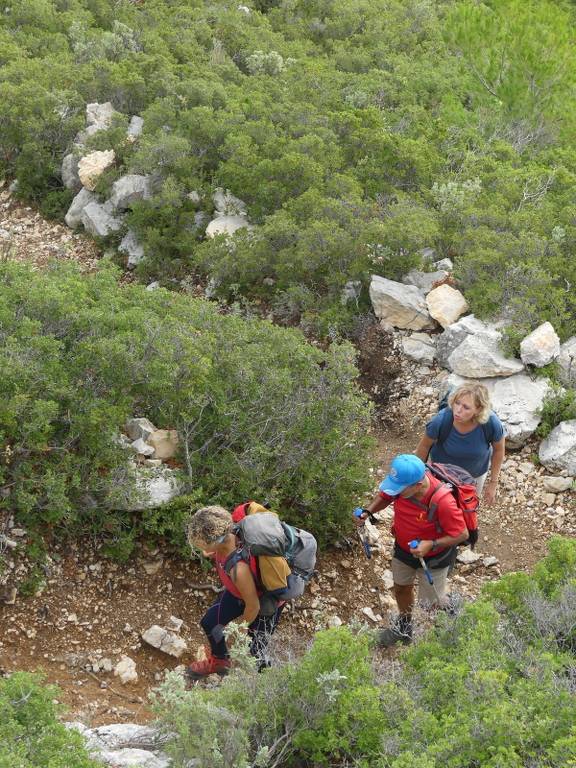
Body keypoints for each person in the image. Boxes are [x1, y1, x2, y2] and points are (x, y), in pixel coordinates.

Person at [354, 454, 468, 647]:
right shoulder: (402, 488)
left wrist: (430, 544)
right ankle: (404, 628)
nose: (395, 492)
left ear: (417, 485)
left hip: (434, 557)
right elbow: (386, 495)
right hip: (403, 549)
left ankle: (450, 611)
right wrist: (369, 511)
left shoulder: (443, 501)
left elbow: (462, 534)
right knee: (400, 588)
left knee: (430, 603)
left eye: (399, 489)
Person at [185, 505, 285, 679]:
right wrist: (211, 551)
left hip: (263, 601)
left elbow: (253, 606)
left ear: (216, 540)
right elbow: (218, 547)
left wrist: (240, 629)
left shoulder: (239, 570)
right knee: (210, 623)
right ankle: (220, 662)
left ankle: (267, 684)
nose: (199, 546)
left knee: (256, 650)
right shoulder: (229, 533)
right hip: (238, 593)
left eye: (201, 543)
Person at [414, 382, 505, 506]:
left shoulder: (491, 423)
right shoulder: (441, 420)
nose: (458, 410)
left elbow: (499, 450)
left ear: (478, 409)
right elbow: (424, 446)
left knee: (468, 508)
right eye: (457, 403)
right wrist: (418, 476)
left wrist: (493, 483)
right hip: (442, 476)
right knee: (440, 509)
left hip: (474, 477)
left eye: (466, 407)